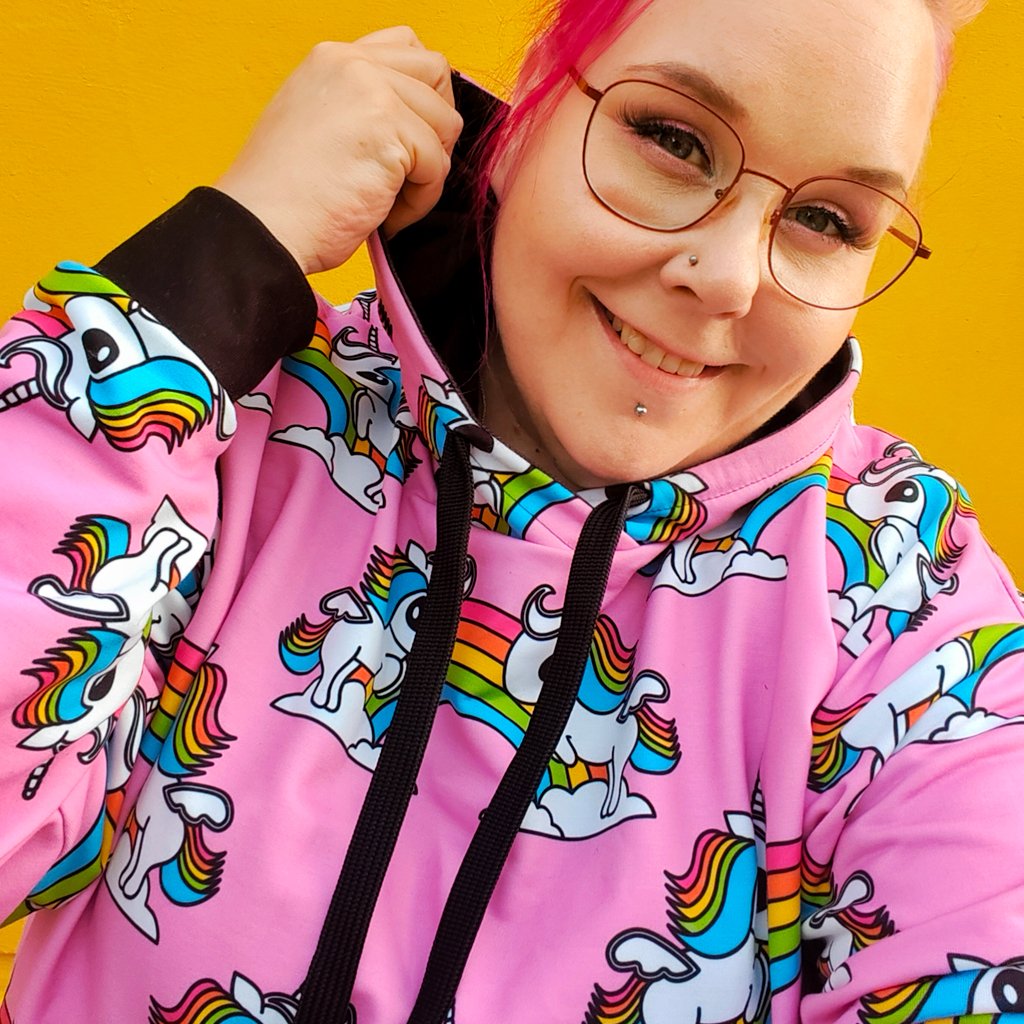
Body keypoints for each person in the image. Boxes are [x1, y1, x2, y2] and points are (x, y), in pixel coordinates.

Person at [1, 0, 1020, 1021]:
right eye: (673, 140)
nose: (726, 278)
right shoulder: (232, 431)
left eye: (829, 220)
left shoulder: (901, 608)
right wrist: (212, 270)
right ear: (524, 112)